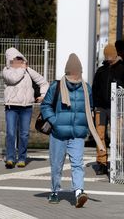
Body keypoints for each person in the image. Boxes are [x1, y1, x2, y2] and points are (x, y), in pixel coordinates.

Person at [41, 53, 104, 208]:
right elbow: (45, 106)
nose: (76, 78)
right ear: (68, 73)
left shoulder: (86, 88)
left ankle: (78, 192)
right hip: (58, 134)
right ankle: (54, 191)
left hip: (77, 134)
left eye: (79, 74)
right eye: (74, 74)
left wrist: (85, 126)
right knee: (57, 164)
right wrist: (55, 122)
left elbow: (88, 109)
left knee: (77, 164)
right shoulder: (56, 87)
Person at [3, 47, 49, 169]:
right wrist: (22, 69)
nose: (18, 61)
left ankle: (22, 157)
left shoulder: (28, 70)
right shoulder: (6, 71)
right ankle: (10, 158)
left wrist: (43, 95)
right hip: (11, 106)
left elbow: (43, 82)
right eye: (15, 59)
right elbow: (13, 79)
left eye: (20, 58)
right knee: (11, 133)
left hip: (26, 107)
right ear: (9, 60)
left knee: (24, 134)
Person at [92, 44, 124, 175]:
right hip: (101, 108)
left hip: (117, 109)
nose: (109, 59)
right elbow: (94, 89)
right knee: (100, 136)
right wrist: (94, 106)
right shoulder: (100, 71)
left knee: (118, 138)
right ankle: (102, 163)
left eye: (111, 56)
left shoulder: (122, 69)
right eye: (107, 56)